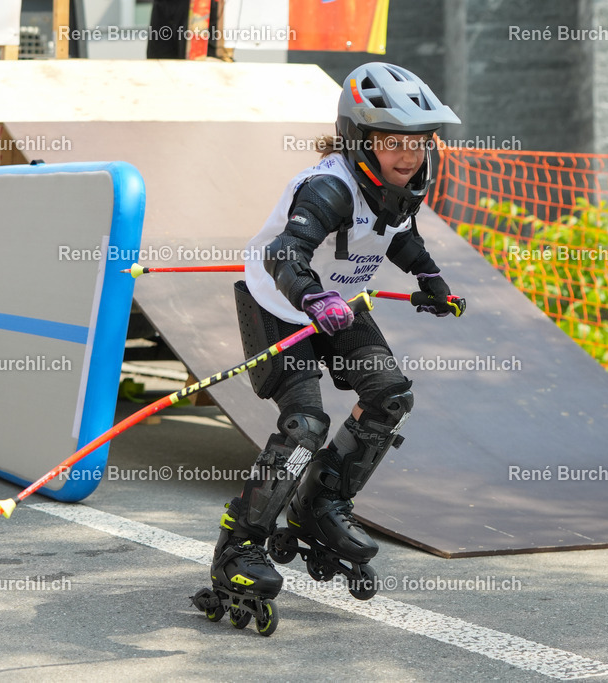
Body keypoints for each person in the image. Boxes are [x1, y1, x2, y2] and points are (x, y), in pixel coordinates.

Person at [192, 62, 463, 634]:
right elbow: (285, 254)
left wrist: (430, 279)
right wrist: (313, 298)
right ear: (360, 139)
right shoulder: (329, 185)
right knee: (305, 423)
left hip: (340, 303)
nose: (409, 156)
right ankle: (238, 547)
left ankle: (320, 505)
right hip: (281, 305)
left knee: (388, 395)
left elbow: (399, 235)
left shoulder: (402, 186)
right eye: (394, 143)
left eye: (418, 144)